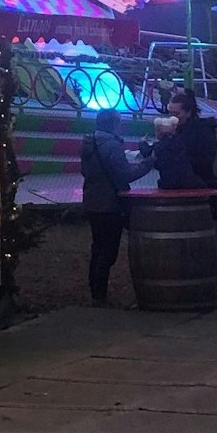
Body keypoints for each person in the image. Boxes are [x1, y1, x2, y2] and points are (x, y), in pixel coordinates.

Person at [78, 110, 153, 306]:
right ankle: (100, 294)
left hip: (92, 200)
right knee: (108, 250)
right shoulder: (112, 145)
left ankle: (95, 291)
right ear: (115, 124)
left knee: (97, 246)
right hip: (110, 203)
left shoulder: (88, 142)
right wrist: (148, 162)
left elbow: (85, 171)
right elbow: (125, 175)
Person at [154, 88, 217, 217]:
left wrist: (174, 152)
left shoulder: (202, 130)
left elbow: (205, 160)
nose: (173, 117)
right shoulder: (174, 131)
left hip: (199, 184)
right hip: (175, 185)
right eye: (170, 113)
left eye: (177, 113)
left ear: (188, 112)